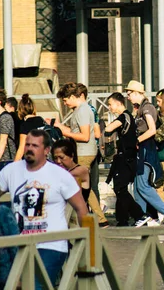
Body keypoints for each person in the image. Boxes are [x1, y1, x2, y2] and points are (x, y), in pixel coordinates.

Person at [0, 129, 88, 289]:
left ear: (46, 151)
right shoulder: (11, 170)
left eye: (35, 146)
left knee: (37, 286)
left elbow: (81, 208)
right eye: (27, 144)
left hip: (51, 244)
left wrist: (88, 244)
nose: (29, 148)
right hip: (19, 243)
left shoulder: (60, 175)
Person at [54, 82, 108, 227]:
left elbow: (84, 136)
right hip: (83, 152)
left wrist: (65, 132)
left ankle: (79, 218)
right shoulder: (80, 110)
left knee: (76, 185)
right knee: (85, 186)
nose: (64, 103)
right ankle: (100, 218)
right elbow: (77, 131)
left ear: (73, 96)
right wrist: (60, 127)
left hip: (84, 152)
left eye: (65, 100)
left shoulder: (83, 110)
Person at [125, 80, 164, 224]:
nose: (128, 96)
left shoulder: (147, 108)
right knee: (137, 188)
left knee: (142, 186)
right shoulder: (141, 108)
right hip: (143, 150)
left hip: (146, 151)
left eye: (129, 94)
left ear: (137, 93)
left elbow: (152, 129)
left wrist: (137, 140)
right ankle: (142, 217)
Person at [104, 92, 150, 227]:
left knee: (120, 188)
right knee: (120, 187)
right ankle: (122, 219)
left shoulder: (124, 117)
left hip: (125, 158)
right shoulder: (128, 117)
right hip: (128, 158)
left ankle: (140, 215)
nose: (109, 107)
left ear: (118, 103)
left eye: (110, 104)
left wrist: (110, 125)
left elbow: (108, 128)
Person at [52, 138, 91, 205]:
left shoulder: (80, 170)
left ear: (71, 156)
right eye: (55, 158)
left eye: (61, 158)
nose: (58, 161)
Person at [15, 93, 47, 161]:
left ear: (20, 110)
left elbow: (22, 147)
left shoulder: (25, 124)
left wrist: (14, 165)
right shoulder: (41, 120)